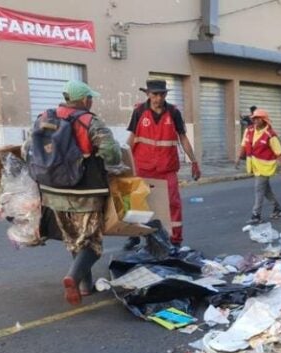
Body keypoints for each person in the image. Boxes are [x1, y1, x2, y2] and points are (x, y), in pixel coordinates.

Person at [30, 80, 122, 306]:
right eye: (89, 98)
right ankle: (73, 277)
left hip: (53, 193)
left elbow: (28, 149)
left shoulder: (45, 117)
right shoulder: (89, 121)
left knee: (73, 238)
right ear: (83, 99)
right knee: (91, 242)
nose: (91, 101)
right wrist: (114, 162)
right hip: (85, 193)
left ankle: (85, 286)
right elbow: (111, 151)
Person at [125, 79, 200, 250]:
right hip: (143, 166)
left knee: (173, 204)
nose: (158, 98)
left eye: (161, 94)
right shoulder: (139, 112)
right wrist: (124, 162)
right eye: (154, 94)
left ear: (166, 94)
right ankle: (134, 235)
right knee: (138, 202)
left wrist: (194, 161)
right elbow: (132, 138)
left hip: (167, 168)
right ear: (147, 94)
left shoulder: (173, 112)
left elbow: (183, 138)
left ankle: (175, 239)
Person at [235, 109, 281, 224]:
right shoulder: (249, 130)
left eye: (258, 118)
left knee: (259, 189)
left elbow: (279, 152)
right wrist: (238, 158)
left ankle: (256, 215)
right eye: (254, 118)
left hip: (265, 167)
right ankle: (277, 208)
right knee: (266, 190)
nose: (255, 120)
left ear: (264, 120)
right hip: (254, 165)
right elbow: (244, 144)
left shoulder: (270, 135)